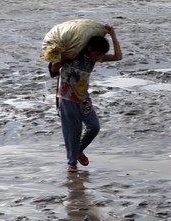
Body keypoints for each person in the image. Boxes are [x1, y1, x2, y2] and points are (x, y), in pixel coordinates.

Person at [48, 24, 122, 172]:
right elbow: (53, 70)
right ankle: (72, 163)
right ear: (89, 49)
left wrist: (112, 34)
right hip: (67, 100)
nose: (100, 58)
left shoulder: (94, 59)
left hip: (84, 100)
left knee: (94, 127)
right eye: (98, 55)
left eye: (101, 55)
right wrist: (62, 57)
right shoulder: (71, 55)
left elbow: (117, 56)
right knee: (73, 132)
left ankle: (77, 151)